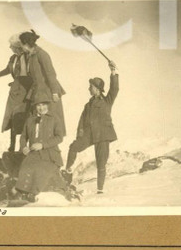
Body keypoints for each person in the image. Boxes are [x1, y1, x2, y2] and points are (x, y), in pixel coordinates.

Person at [65, 60, 119, 195]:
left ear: (97, 88)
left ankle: (100, 190)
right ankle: (68, 170)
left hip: (103, 135)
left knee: (101, 163)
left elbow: (115, 89)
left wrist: (113, 72)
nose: (89, 89)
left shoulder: (107, 101)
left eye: (91, 87)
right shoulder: (87, 105)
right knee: (73, 147)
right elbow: (81, 121)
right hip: (89, 135)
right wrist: (80, 135)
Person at [15, 100, 66, 202]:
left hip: (50, 154)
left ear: (47, 105)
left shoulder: (54, 118)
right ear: (35, 106)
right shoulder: (30, 120)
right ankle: (22, 194)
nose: (41, 108)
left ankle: (33, 194)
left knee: (40, 170)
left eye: (43, 105)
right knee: (25, 166)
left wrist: (42, 145)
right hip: (33, 154)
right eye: (38, 105)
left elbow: (59, 137)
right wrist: (23, 147)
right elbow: (24, 136)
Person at [19, 29, 66, 135]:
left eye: (21, 44)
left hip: (48, 92)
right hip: (39, 91)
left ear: (26, 44)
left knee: (50, 121)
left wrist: (54, 92)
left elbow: (51, 74)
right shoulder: (31, 55)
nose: (21, 47)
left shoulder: (42, 54)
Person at [0, 34, 31, 152]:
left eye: (11, 45)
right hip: (15, 91)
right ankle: (12, 145)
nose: (10, 47)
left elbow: (29, 74)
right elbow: (8, 70)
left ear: (18, 46)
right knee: (11, 117)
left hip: (24, 91)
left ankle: (23, 146)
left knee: (22, 116)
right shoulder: (13, 58)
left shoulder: (28, 57)